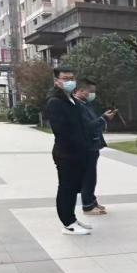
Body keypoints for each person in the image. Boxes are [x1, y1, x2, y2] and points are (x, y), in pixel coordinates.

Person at [46, 67, 93, 236]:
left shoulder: (71, 99)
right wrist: (77, 145)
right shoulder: (55, 102)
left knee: (73, 188)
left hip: (78, 152)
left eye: (72, 78)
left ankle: (72, 219)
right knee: (66, 188)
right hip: (66, 153)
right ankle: (68, 224)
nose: (70, 81)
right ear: (56, 81)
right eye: (65, 78)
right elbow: (61, 131)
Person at [73, 78, 115, 217]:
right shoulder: (77, 106)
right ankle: (88, 206)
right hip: (86, 146)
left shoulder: (85, 104)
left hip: (92, 145)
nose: (92, 94)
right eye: (90, 91)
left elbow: (93, 122)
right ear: (80, 90)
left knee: (91, 176)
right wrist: (104, 119)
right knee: (88, 177)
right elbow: (87, 127)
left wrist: (102, 118)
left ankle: (92, 201)